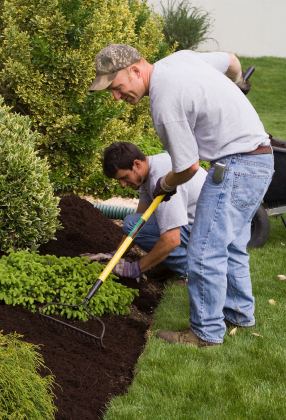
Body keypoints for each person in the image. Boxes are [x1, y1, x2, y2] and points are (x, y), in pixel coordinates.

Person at [89, 44, 274, 347]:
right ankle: (240, 313)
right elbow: (230, 60)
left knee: (204, 251)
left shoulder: (163, 101)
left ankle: (205, 333)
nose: (116, 96)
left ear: (135, 69)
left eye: (117, 87)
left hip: (236, 165)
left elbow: (187, 167)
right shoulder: (181, 60)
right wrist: (239, 82)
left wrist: (164, 183)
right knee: (233, 245)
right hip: (259, 160)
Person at [97, 141, 207, 280]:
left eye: (124, 178)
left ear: (136, 164)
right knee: (134, 223)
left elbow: (172, 240)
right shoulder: (147, 173)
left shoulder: (160, 179)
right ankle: (170, 261)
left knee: (135, 225)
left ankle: (192, 270)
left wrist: (135, 269)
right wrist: (115, 256)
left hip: (206, 231)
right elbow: (139, 222)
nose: (123, 185)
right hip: (197, 225)